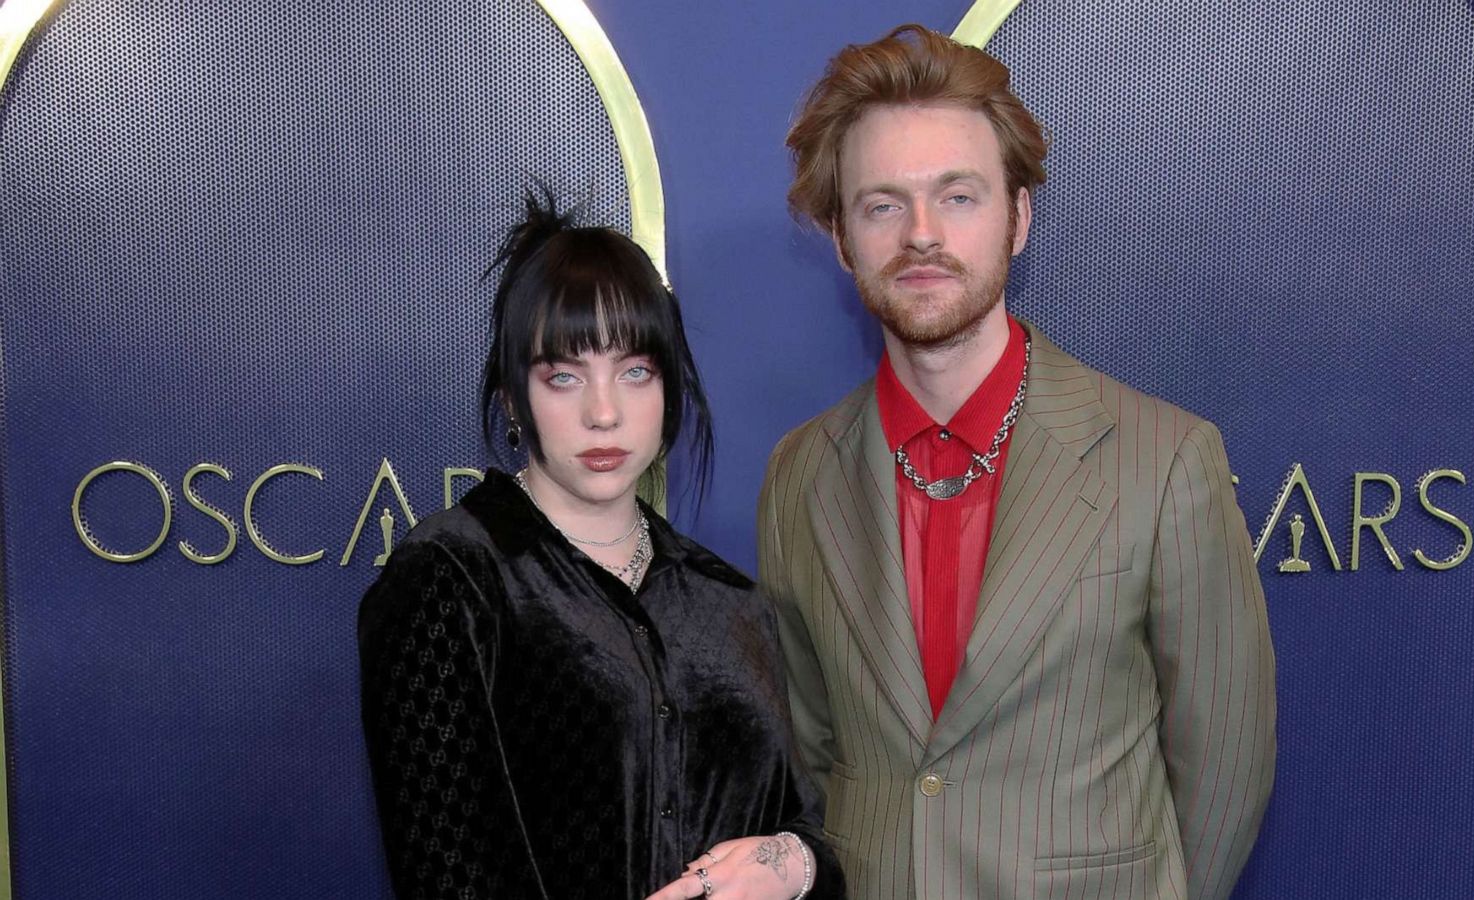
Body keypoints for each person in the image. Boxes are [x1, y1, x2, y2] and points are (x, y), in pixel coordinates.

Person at [759, 24, 1276, 900]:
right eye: (882, 205)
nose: (921, 234)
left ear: (1018, 217)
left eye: (956, 196)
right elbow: (815, 757)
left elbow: (1225, 763)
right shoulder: (799, 475)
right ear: (843, 239)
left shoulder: (1164, 459)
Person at [359, 188, 843, 900]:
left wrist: (793, 864)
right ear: (513, 402)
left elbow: (806, 834)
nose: (604, 412)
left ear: (669, 391)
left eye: (634, 371)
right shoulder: (451, 580)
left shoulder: (729, 602)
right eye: (563, 376)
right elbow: (444, 876)